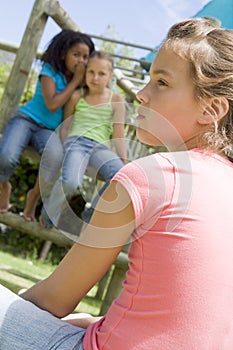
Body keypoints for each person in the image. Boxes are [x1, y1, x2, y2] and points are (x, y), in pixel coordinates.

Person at [0, 17, 233, 349]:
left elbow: (53, 300)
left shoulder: (151, 175)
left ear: (212, 109)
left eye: (162, 83)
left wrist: (24, 303)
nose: (141, 93)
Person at [0, 29, 95, 221]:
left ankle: (33, 197)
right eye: (76, 55)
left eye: (85, 57)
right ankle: (4, 186)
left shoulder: (82, 86)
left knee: (55, 157)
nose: (81, 61)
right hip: (26, 120)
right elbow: (52, 104)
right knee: (6, 157)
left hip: (48, 131)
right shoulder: (50, 72)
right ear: (63, 54)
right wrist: (75, 80)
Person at [40, 50, 127, 229]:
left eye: (102, 73)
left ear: (110, 76)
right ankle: (49, 213)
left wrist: (123, 160)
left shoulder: (116, 100)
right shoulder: (77, 96)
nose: (95, 78)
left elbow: (119, 134)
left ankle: (91, 214)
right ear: (85, 73)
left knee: (121, 175)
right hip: (76, 144)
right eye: (91, 72)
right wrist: (65, 149)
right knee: (71, 183)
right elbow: (65, 126)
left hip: (101, 148)